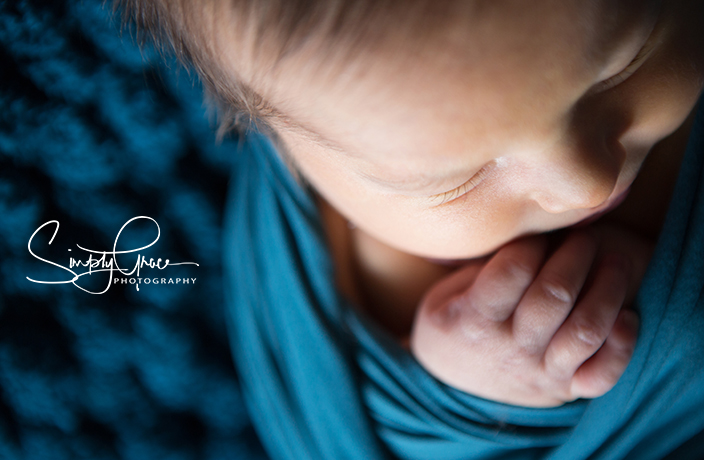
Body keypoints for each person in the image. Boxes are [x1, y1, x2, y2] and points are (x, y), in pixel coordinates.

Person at [119, 0, 704, 458]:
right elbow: (365, 429)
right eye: (457, 178)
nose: (584, 184)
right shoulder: (374, 259)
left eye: (622, 66)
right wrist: (470, 381)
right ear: (283, 152)